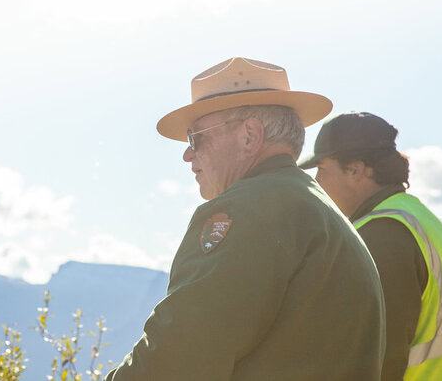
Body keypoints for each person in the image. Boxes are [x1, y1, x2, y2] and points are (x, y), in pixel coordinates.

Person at [105, 57, 386, 381]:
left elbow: (176, 357)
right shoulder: (316, 209)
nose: (187, 154)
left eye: (196, 138)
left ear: (250, 135)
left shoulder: (249, 209)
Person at [299, 112, 442, 380]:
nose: (317, 182)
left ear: (355, 170)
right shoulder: (430, 224)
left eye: (322, 170)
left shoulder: (381, 233)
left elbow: (376, 358)